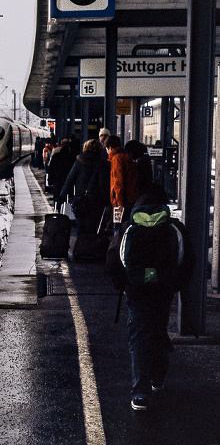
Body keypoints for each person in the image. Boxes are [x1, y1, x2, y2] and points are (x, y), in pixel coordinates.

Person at [106, 185, 194, 412]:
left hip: (136, 290)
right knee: (158, 328)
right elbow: (188, 261)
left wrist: (123, 286)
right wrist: (174, 285)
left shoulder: (129, 226)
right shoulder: (174, 227)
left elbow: (113, 259)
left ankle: (140, 394)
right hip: (163, 289)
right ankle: (158, 378)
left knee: (138, 335)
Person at [56, 139, 108, 234]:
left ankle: (81, 246)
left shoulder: (79, 161)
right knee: (95, 229)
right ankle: (92, 246)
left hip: (81, 201)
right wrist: (106, 200)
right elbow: (103, 183)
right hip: (97, 202)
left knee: (81, 228)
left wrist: (61, 196)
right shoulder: (104, 163)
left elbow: (69, 180)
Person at [104, 135, 139, 227]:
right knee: (127, 224)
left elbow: (118, 182)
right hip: (130, 197)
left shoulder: (116, 159)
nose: (107, 152)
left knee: (118, 226)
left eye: (106, 149)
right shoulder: (126, 156)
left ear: (110, 148)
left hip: (120, 200)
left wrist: (119, 203)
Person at [48, 138, 77, 209]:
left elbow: (51, 169)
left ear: (61, 145)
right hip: (69, 182)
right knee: (68, 198)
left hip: (57, 181)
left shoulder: (56, 156)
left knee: (57, 197)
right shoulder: (72, 157)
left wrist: (50, 180)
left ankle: (58, 212)